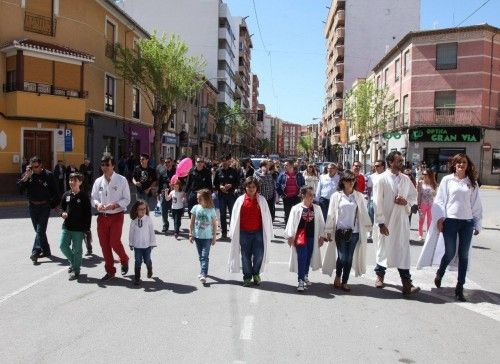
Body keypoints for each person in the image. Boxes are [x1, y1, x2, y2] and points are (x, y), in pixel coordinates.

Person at [417, 154, 482, 302]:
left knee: (463, 255)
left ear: (467, 165)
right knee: (450, 252)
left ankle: (460, 287)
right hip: (450, 222)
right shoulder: (447, 180)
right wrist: (440, 218)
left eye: (464, 162)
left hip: (467, 222)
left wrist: (477, 223)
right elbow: (439, 201)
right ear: (454, 165)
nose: (461, 165)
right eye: (458, 162)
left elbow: (476, 204)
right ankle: (440, 272)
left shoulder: (472, 182)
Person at [373, 151, 420, 295]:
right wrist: (381, 223)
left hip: (401, 222)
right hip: (386, 222)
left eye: (401, 160)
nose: (401, 163)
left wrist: (406, 202)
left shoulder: (406, 179)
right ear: (391, 162)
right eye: (398, 161)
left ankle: (407, 283)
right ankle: (379, 276)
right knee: (384, 249)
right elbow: (377, 202)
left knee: (403, 251)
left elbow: (413, 196)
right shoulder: (381, 179)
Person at [322, 171, 372, 291]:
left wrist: (369, 228)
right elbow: (331, 214)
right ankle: (338, 276)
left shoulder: (358, 196)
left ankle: (344, 281)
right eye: (348, 181)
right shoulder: (336, 196)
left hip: (354, 232)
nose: (351, 183)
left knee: (349, 258)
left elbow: (363, 213)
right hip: (340, 231)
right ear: (343, 182)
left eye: (353, 181)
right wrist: (328, 230)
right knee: (342, 257)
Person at [91, 154, 131, 281]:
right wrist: (97, 204)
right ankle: (110, 271)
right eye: (102, 165)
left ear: (113, 165)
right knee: (104, 245)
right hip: (102, 217)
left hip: (116, 216)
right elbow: (93, 198)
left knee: (114, 242)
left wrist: (115, 205)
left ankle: (124, 259)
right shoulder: (98, 181)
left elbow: (127, 199)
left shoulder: (121, 180)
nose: (104, 167)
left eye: (107, 165)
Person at [228, 177, 273, 286]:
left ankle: (256, 273)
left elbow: (267, 217)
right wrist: (232, 232)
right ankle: (247, 277)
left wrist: (269, 232)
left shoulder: (261, 200)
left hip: (258, 232)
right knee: (245, 255)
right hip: (244, 232)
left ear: (257, 187)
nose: (251, 189)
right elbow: (234, 217)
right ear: (245, 187)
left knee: (259, 255)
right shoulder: (240, 200)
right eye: (249, 187)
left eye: (253, 187)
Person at [18, 156, 59, 265]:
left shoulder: (48, 175)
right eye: (32, 167)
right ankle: (46, 251)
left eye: (36, 166)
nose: (34, 169)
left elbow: (55, 191)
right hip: (32, 206)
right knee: (39, 231)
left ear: (41, 165)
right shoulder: (29, 175)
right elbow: (20, 190)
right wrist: (26, 177)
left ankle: (35, 251)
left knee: (40, 230)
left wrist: (54, 205)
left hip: (44, 206)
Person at [285, 186, 325, 292]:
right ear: (303, 195)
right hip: (300, 238)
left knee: (308, 257)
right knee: (302, 257)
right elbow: (291, 223)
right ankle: (300, 280)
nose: (312, 197)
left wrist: (322, 236)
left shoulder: (317, 208)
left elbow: (321, 223)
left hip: (312, 237)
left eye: (313, 195)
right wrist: (290, 236)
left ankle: (305, 274)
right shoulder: (296, 208)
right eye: (310, 195)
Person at [59, 172, 91, 281]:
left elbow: (88, 213)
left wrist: (87, 229)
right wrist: (62, 213)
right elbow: (61, 208)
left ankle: (76, 271)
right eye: (70, 180)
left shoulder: (84, 196)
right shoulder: (66, 195)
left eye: (74, 180)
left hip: (79, 228)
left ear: (80, 182)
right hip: (67, 226)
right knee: (62, 245)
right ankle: (74, 262)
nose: (72, 182)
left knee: (77, 250)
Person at [189, 189, 218, 284]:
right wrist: (191, 233)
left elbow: (214, 224)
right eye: (197, 198)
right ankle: (203, 270)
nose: (198, 200)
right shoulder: (195, 208)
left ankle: (203, 273)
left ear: (206, 199)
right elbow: (192, 222)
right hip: (197, 236)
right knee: (200, 256)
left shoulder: (211, 210)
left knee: (204, 256)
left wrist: (214, 236)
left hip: (207, 237)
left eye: (200, 198)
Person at [129, 199, 156, 286]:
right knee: (137, 261)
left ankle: (149, 267)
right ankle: (137, 278)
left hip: (147, 245)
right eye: (140, 209)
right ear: (136, 210)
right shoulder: (134, 221)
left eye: (144, 208)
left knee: (147, 260)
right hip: (137, 246)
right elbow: (131, 233)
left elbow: (152, 232)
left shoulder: (148, 219)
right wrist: (131, 243)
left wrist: (152, 243)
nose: (143, 210)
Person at [213, 155, 239, 239]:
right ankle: (223, 232)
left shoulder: (234, 171)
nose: (225, 162)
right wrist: (220, 187)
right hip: (221, 195)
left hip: (231, 195)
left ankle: (232, 231)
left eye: (226, 161)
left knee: (232, 213)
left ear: (229, 162)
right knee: (222, 214)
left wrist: (231, 185)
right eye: (223, 161)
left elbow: (238, 183)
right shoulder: (218, 171)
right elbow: (215, 183)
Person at [277, 160, 305, 225]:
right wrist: (282, 194)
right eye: (284, 165)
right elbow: (278, 185)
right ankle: (287, 229)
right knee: (287, 214)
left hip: (296, 197)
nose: (284, 166)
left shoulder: (298, 175)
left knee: (297, 214)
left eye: (286, 165)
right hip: (286, 197)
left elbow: (303, 184)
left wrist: (301, 194)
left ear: (291, 166)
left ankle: (296, 228)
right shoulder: (282, 175)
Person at [417, 168, 437, 240]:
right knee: (421, 220)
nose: (424, 175)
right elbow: (419, 194)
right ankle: (420, 234)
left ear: (429, 175)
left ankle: (428, 234)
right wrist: (418, 204)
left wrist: (434, 193)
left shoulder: (433, 183)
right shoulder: (420, 182)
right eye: (423, 174)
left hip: (431, 204)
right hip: (423, 203)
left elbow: (435, 195)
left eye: (425, 174)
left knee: (429, 220)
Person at [157, 157, 176, 233]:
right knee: (164, 210)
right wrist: (158, 193)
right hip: (164, 193)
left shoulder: (176, 172)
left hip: (174, 194)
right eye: (166, 162)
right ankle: (165, 225)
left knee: (174, 211)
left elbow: (181, 182)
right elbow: (160, 183)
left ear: (172, 162)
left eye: (168, 162)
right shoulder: (163, 172)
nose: (167, 164)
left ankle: (176, 226)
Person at [366, 160, 386, 228]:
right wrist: (369, 199)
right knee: (371, 214)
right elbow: (369, 188)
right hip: (373, 200)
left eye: (377, 166)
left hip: (384, 201)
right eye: (375, 166)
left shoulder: (386, 176)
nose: (375, 167)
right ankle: (371, 230)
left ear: (383, 166)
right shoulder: (371, 177)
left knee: (382, 217)